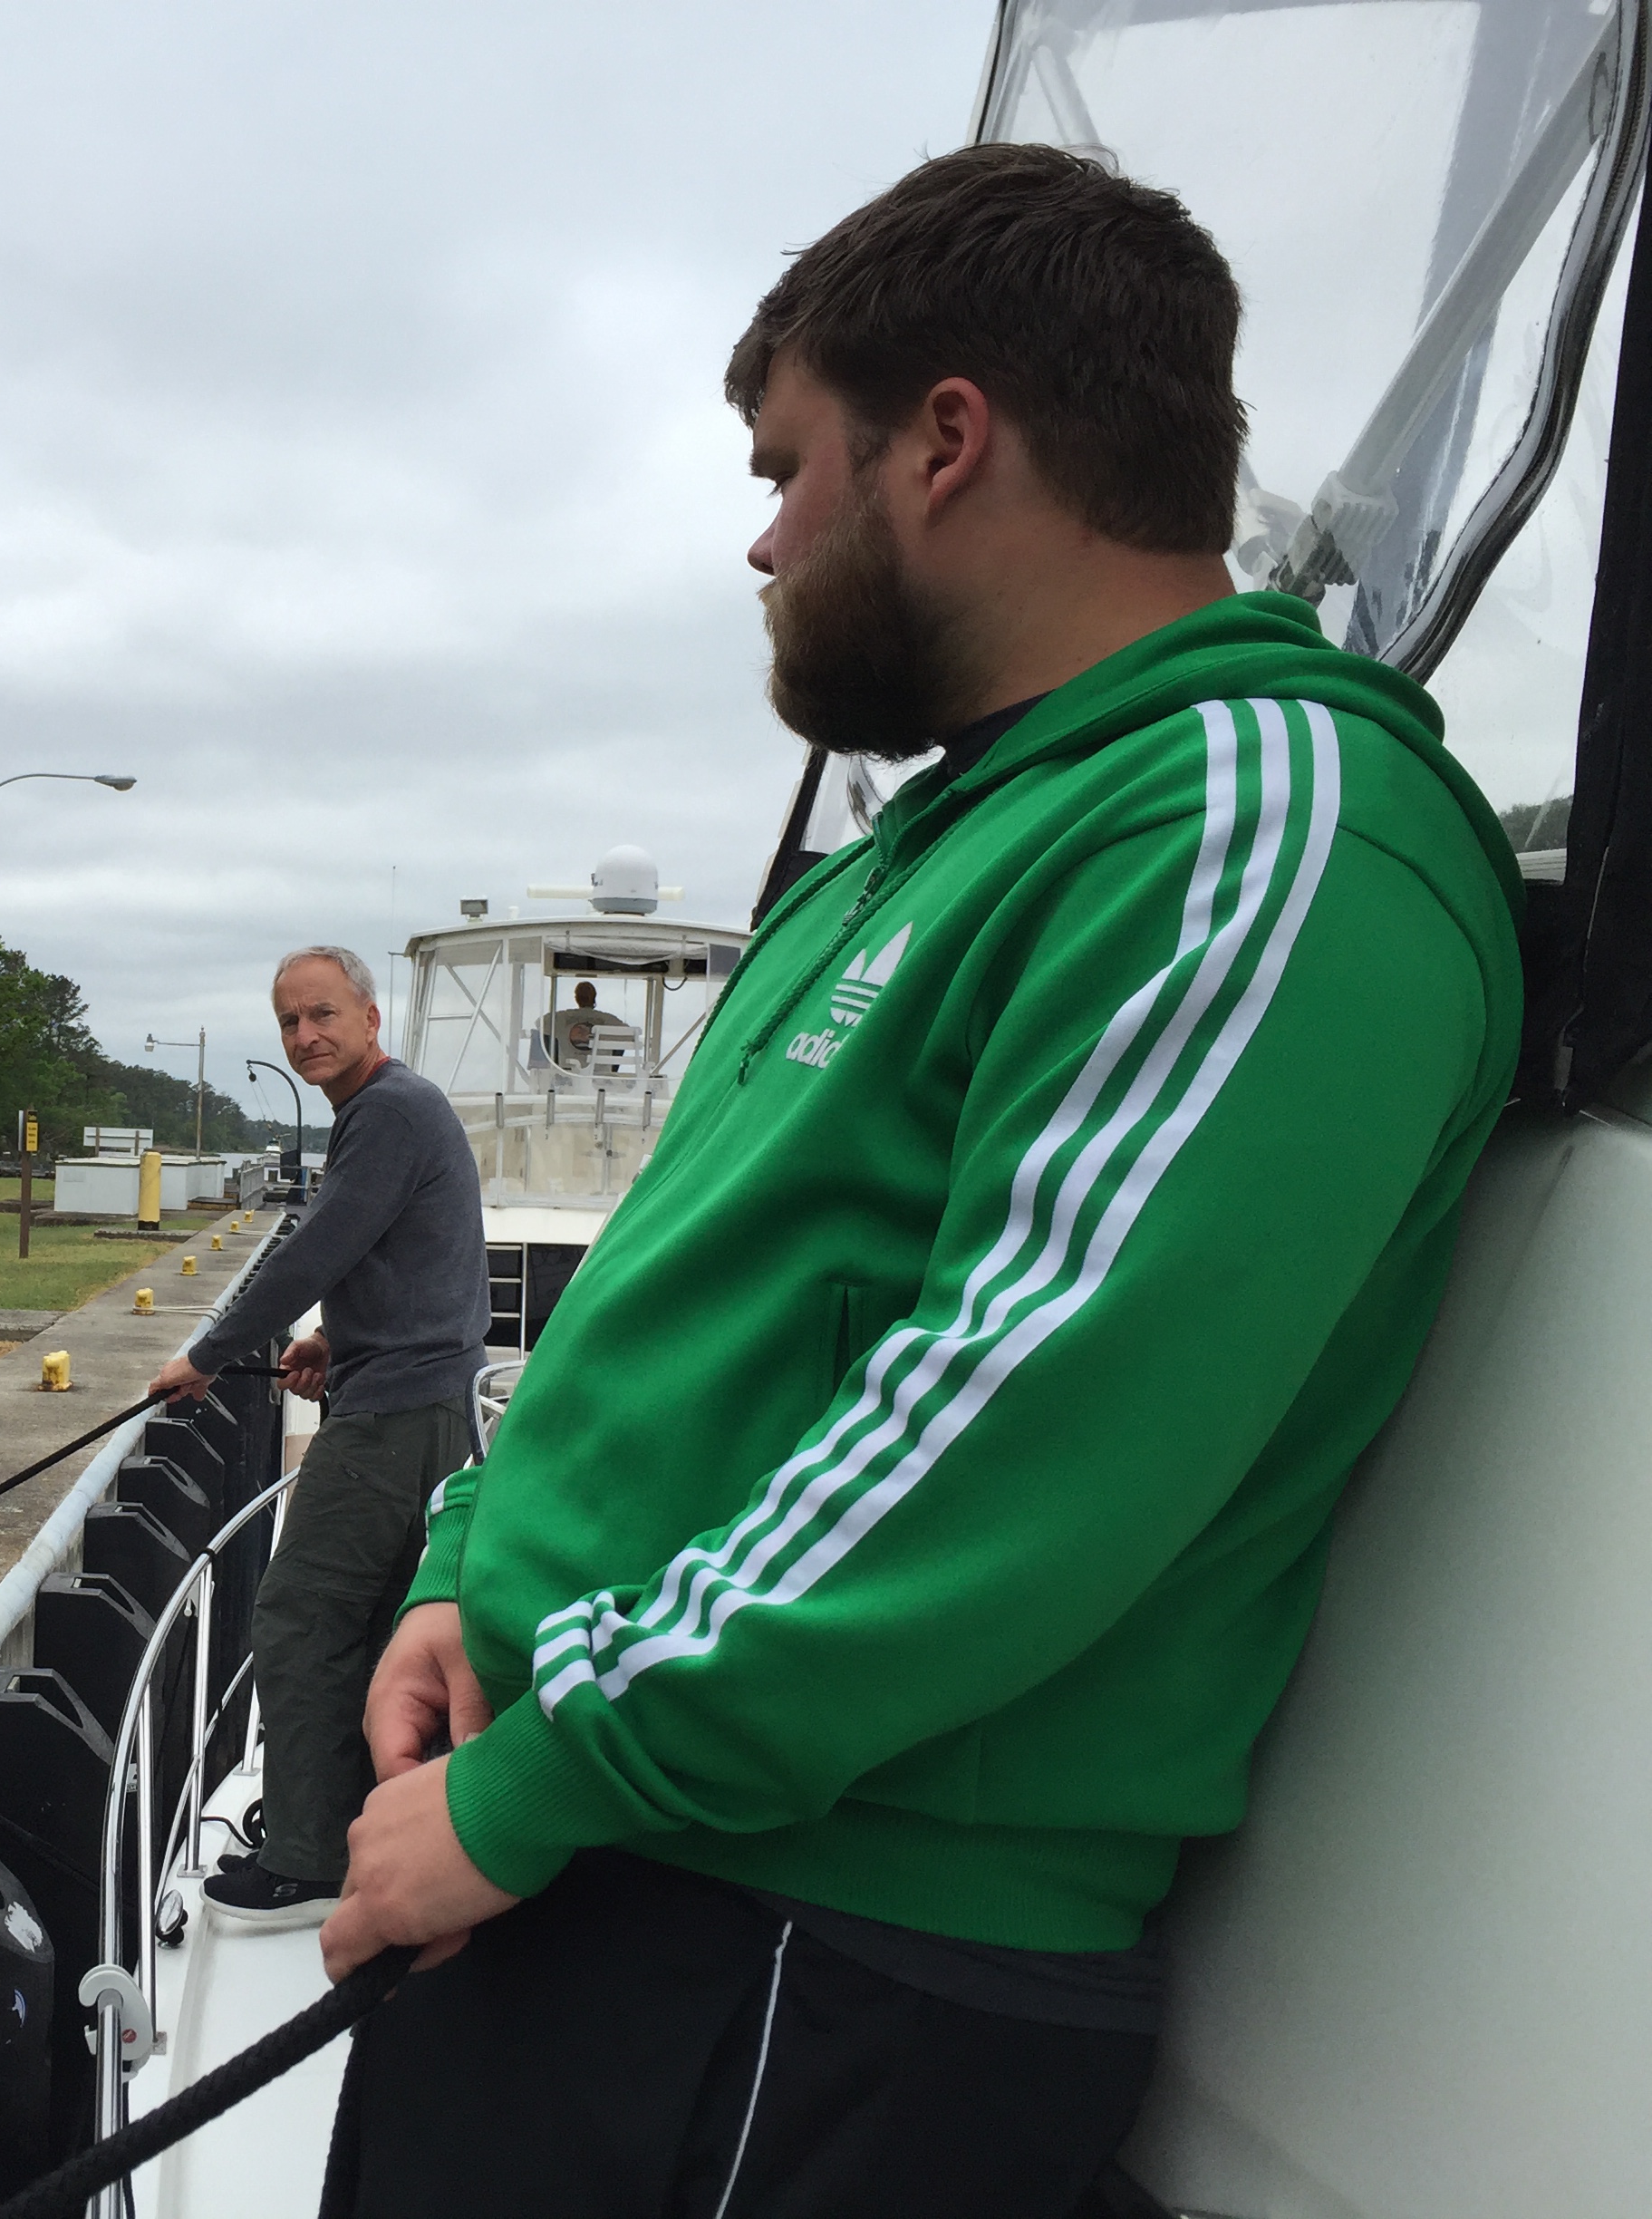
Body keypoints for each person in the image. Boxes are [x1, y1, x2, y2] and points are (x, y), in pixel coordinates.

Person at [317, 143, 1522, 2215]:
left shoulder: (1256, 816)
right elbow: (670, 1293)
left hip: (812, 1945)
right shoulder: (908, 850)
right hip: (596, 1844)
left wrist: (548, 1776)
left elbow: (1025, 1414)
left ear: (945, 442)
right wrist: (463, 1563)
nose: (765, 539)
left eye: (791, 468)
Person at [152, 945, 489, 1928]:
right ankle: (357, 1831)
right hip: (429, 1405)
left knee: (300, 1616)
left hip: (393, 1420)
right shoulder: (396, 1109)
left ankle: (304, 1862)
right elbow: (420, 1258)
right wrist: (336, 1342)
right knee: (374, 1627)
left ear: (371, 1018)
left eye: (323, 1015)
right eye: (290, 1022)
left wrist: (208, 1354)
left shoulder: (387, 1111)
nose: (306, 1036)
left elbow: (316, 1250)